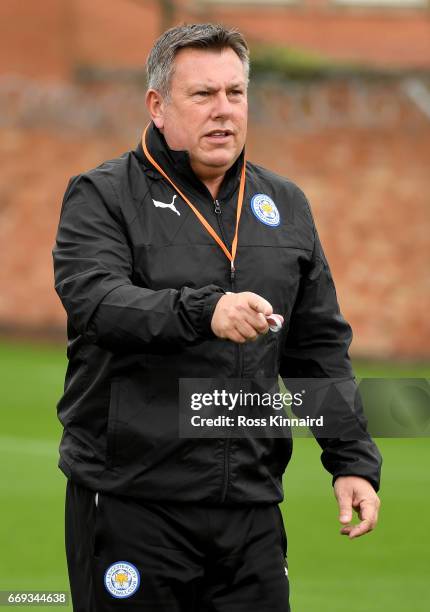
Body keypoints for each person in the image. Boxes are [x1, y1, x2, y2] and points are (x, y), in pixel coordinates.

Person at [53, 23, 382, 612]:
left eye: (236, 93)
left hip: (251, 510)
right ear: (158, 106)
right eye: (202, 95)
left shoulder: (285, 205)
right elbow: (97, 302)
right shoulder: (102, 196)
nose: (223, 111)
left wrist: (350, 459)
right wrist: (204, 310)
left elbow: (317, 346)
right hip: (134, 503)